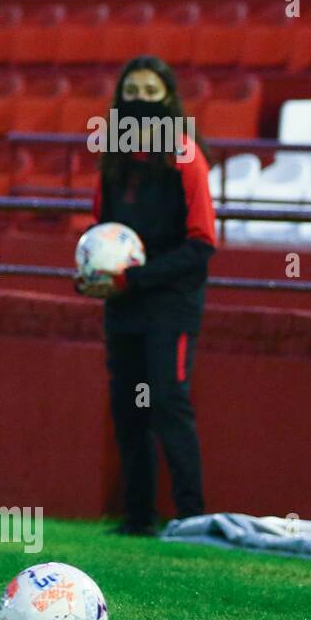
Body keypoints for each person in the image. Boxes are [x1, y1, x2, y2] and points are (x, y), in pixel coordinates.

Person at [75, 55, 216, 536]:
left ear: (168, 100)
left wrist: (133, 280)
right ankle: (138, 518)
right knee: (128, 408)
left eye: (150, 93)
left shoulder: (185, 156)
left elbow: (202, 245)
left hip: (170, 306)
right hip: (123, 306)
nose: (139, 101)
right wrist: (89, 275)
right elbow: (99, 229)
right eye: (130, 92)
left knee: (169, 404)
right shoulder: (113, 160)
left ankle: (192, 518)